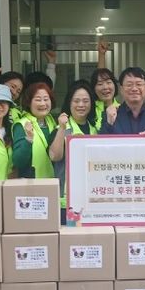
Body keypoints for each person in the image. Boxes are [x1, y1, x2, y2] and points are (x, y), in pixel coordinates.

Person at [49, 80, 98, 223]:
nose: (81, 105)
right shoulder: (61, 130)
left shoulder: (95, 130)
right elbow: (54, 156)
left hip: (91, 200)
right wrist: (62, 128)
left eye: (85, 101)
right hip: (67, 203)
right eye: (76, 101)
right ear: (69, 103)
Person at [100, 66, 145, 135]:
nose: (134, 88)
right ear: (121, 89)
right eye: (129, 85)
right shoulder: (110, 115)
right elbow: (101, 141)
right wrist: (109, 123)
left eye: (139, 84)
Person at [12, 82, 58, 178]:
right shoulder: (22, 125)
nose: (43, 103)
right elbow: (18, 161)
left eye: (46, 99)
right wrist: (28, 140)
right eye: (38, 100)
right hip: (31, 183)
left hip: (53, 181)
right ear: (29, 103)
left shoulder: (51, 121)